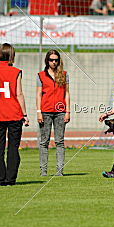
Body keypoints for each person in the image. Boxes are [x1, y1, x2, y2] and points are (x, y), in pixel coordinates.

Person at [0, 43, 29, 186]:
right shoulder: (15, 72)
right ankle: (10, 179)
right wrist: (25, 114)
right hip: (14, 114)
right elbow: (19, 94)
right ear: (11, 56)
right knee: (13, 148)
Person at [37, 49, 70, 177]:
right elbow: (38, 95)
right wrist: (38, 112)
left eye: (56, 60)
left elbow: (67, 93)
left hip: (60, 112)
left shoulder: (64, 75)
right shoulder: (40, 75)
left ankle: (59, 171)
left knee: (60, 141)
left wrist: (68, 111)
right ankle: (43, 171)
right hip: (45, 111)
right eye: (51, 60)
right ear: (47, 61)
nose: (54, 62)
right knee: (44, 142)